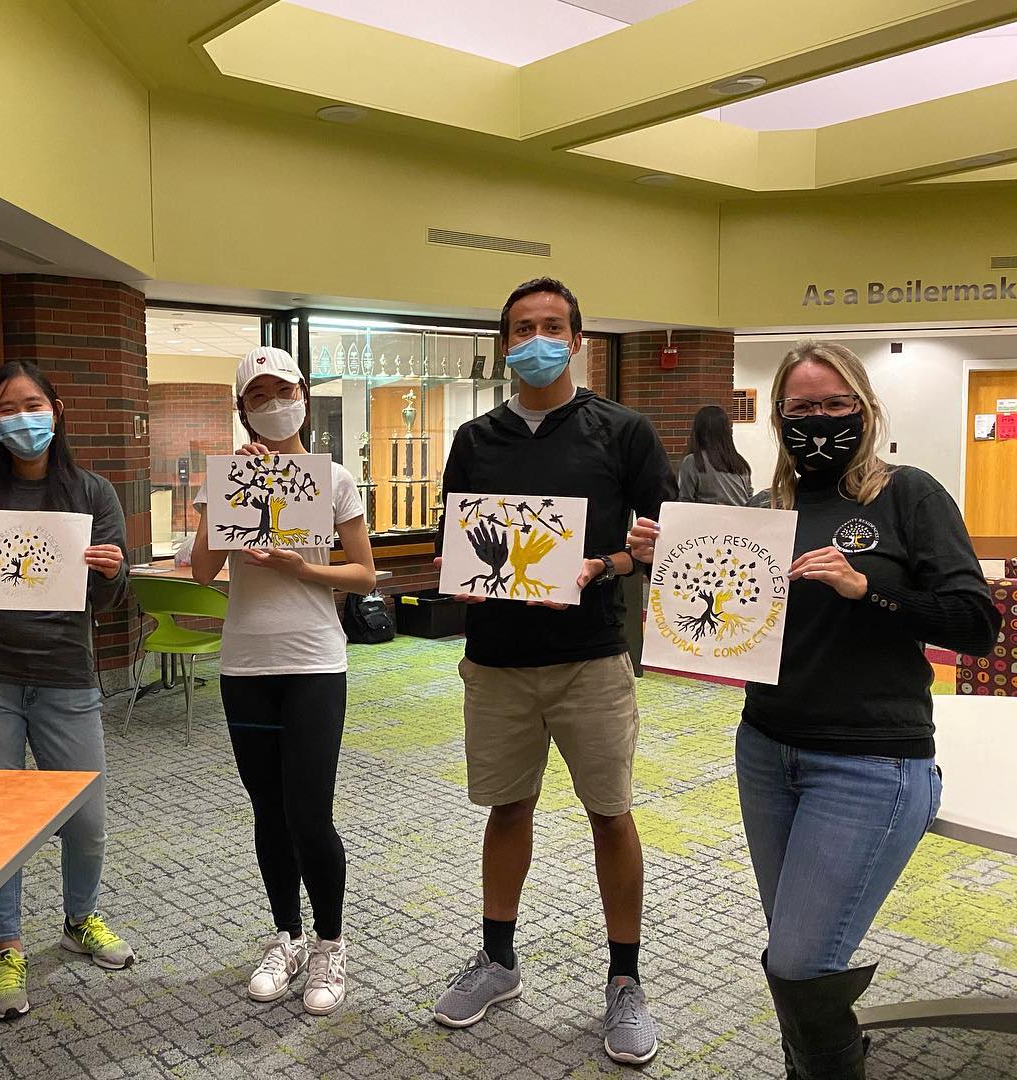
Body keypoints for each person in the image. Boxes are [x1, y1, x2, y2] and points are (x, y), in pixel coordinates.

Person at [629, 342, 998, 1079]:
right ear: (778, 418)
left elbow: (975, 622)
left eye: (834, 405)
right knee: (799, 951)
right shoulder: (767, 513)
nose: (819, 421)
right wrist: (669, 562)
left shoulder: (908, 496)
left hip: (871, 761)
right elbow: (726, 621)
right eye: (801, 409)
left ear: (863, 409)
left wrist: (870, 591)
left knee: (798, 962)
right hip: (766, 751)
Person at [431, 278, 674, 1067]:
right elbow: (459, 538)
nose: (537, 339)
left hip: (592, 657)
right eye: (522, 329)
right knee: (508, 809)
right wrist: (453, 565)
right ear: (506, 344)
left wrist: (610, 562)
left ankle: (625, 980)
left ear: (577, 339)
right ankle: (498, 961)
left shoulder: (623, 431)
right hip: (496, 659)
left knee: (611, 814)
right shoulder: (475, 438)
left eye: (552, 327)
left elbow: (663, 540)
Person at [0, 360, 134, 1022]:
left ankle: (79, 919)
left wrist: (110, 573)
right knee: (0, 827)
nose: (23, 417)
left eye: (33, 403)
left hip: (64, 675)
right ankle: (8, 946)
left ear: (57, 408)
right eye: (8, 408)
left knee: (87, 819)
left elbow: (106, 601)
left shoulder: (93, 493)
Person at [190, 346, 376, 1017]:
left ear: (303, 393)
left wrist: (304, 569)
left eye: (283, 389)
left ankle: (330, 942)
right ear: (242, 408)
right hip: (245, 664)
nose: (274, 403)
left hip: (315, 662)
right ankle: (287, 936)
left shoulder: (335, 479)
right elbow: (203, 573)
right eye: (258, 394)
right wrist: (227, 495)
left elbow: (364, 574)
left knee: (309, 812)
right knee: (268, 810)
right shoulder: (225, 479)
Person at [677, 405, 752, 506]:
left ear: (698, 431)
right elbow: (749, 498)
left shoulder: (693, 462)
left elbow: (684, 502)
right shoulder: (740, 463)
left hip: (708, 519)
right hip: (740, 518)